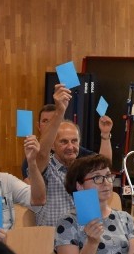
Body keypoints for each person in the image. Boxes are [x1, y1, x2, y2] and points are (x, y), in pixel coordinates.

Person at [34, 85, 114, 227]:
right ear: (52, 145)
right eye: (64, 142)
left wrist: (105, 136)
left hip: (86, 237)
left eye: (74, 141)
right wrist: (60, 111)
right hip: (53, 242)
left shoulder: (83, 168)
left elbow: (104, 166)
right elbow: (41, 153)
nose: (70, 147)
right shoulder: (47, 169)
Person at [21, 101, 112, 181]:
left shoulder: (77, 155)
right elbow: (31, 188)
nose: (70, 146)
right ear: (38, 126)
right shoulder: (35, 159)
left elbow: (103, 164)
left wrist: (105, 134)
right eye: (45, 121)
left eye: (54, 121)